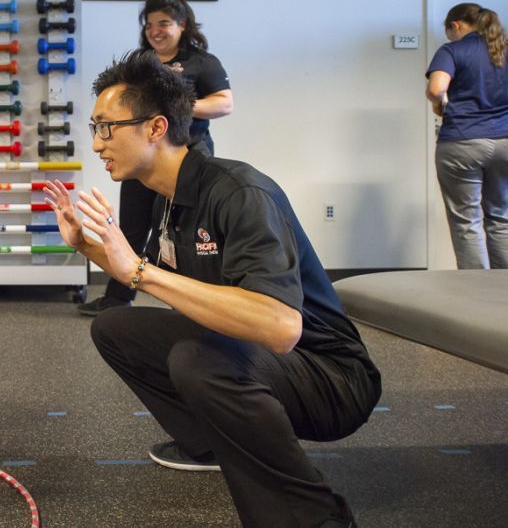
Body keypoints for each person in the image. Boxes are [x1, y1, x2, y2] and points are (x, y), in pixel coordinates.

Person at [44, 50, 381, 527]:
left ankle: (314, 516)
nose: (97, 143)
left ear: (155, 128)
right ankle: (209, 445)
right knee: (116, 327)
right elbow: (154, 277)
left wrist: (139, 271)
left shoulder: (238, 193)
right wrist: (86, 245)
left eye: (106, 127)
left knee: (198, 360)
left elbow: (282, 326)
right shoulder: (169, 197)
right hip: (268, 355)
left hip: (332, 376)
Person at [78, 0, 233, 316]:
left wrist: (176, 106)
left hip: (187, 155)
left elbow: (224, 102)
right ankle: (118, 298)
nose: (155, 31)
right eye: (149, 25)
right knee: (132, 227)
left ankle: (199, 302)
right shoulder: (143, 62)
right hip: (141, 154)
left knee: (189, 230)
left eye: (163, 23)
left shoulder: (202, 62)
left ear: (183, 24)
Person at [426, 2, 508, 269]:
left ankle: (475, 292)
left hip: (462, 142)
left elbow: (437, 88)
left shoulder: (453, 50)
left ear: (456, 25)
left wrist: (439, 105)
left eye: (448, 31)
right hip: (504, 142)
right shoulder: (503, 49)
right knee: (501, 217)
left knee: (467, 221)